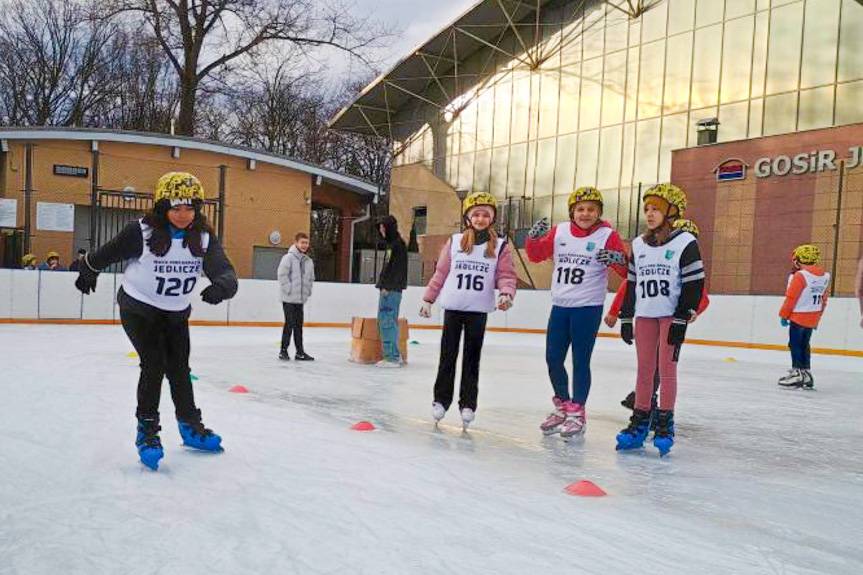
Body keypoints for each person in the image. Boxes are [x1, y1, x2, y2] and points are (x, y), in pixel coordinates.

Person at [74, 172, 238, 471]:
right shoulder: (142, 233)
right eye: (176, 208)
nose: (183, 215)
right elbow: (106, 254)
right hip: (139, 308)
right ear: (163, 207)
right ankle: (147, 431)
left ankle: (190, 426)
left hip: (175, 313)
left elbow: (225, 270)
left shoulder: (203, 237)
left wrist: (222, 286)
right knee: (154, 363)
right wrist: (88, 269)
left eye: (190, 208)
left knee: (179, 368)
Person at [525, 187, 628, 438]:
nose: (585, 214)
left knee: (581, 361)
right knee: (553, 359)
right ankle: (562, 404)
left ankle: (577, 411)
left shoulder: (607, 235)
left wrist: (618, 258)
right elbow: (536, 256)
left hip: (587, 308)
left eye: (591, 209)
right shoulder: (559, 231)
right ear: (572, 212)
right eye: (580, 209)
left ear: (599, 212)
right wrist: (531, 239)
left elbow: (627, 273)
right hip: (561, 306)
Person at [616, 183, 704, 457]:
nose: (650, 214)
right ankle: (640, 421)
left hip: (670, 317)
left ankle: (665, 423)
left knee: (667, 371)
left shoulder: (686, 243)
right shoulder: (639, 244)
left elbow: (694, 283)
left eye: (656, 209)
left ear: (672, 212)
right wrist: (626, 316)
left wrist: (682, 317)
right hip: (645, 316)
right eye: (647, 209)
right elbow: (632, 283)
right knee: (644, 371)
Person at [420, 192, 517, 429]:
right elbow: (441, 272)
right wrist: (428, 299)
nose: (481, 219)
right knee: (447, 357)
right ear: (468, 218)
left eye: (486, 215)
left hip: (478, 311)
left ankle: (468, 404)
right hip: (453, 308)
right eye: (476, 214)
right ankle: (441, 399)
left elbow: (506, 275)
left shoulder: (500, 247)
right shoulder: (454, 242)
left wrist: (506, 293)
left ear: (492, 219)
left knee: (472, 359)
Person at [607, 219, 710, 415]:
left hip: (670, 320)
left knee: (662, 366)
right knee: (649, 364)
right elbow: (629, 286)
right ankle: (643, 400)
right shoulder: (651, 254)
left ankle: (651, 402)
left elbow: (700, 295)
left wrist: (690, 312)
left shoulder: (687, 260)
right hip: (648, 317)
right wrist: (618, 312)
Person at [777, 244, 830, 389]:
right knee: (804, 344)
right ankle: (806, 373)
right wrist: (818, 318)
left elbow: (791, 297)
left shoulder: (800, 276)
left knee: (795, 345)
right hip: (812, 316)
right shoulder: (824, 276)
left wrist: (784, 315)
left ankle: (797, 372)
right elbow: (824, 299)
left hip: (799, 316)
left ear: (798, 260)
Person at [375, 215, 408, 368]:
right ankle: (393, 354)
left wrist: (387, 286)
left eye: (383, 228)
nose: (381, 231)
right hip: (390, 287)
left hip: (391, 289)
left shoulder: (397, 245)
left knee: (387, 321)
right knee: (388, 320)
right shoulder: (392, 245)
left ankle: (392, 357)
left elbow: (396, 269)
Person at [277, 232, 315, 361]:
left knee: (298, 325)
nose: (305, 245)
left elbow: (311, 278)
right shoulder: (288, 258)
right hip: (288, 298)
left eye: (306, 243)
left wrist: (307, 291)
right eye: (302, 242)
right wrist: (289, 289)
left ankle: (300, 352)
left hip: (300, 299)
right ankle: (283, 350)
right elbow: (282, 275)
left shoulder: (308, 261)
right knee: (289, 324)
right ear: (296, 243)